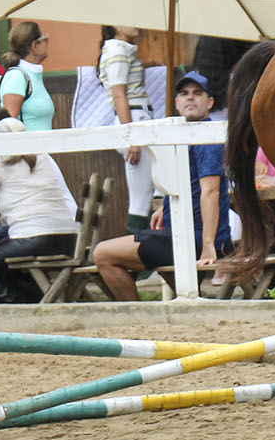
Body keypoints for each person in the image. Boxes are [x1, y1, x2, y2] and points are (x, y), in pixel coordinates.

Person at [92, 71, 231, 300]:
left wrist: (208, 244)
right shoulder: (184, 135)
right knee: (106, 253)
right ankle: (145, 316)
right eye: (184, 94)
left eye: (198, 93)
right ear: (176, 103)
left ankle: (139, 319)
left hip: (195, 240)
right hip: (179, 235)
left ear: (210, 103)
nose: (190, 98)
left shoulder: (207, 137)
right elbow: (191, 185)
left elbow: (211, 192)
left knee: (102, 253)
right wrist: (166, 207)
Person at [0, 109, 78, 303]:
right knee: (1, 261)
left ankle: (15, 305)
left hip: (34, 237)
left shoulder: (4, 163)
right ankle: (39, 300)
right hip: (67, 236)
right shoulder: (40, 157)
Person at [99, 24, 154, 234]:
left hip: (140, 116)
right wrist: (130, 134)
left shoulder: (124, 48)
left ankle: (144, 249)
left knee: (148, 191)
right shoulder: (117, 49)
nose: (139, 25)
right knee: (141, 195)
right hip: (133, 117)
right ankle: (138, 251)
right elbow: (118, 93)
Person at [0, 20, 56, 132]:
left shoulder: (32, 75)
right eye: (44, 39)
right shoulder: (16, 76)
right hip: (28, 149)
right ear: (34, 45)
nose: (47, 43)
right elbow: (9, 126)